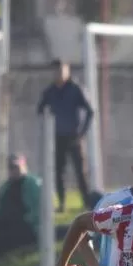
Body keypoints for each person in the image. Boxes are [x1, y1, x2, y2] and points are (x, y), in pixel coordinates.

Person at [37, 60, 94, 211]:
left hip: (74, 137)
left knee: (80, 172)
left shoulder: (75, 89)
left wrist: (82, 133)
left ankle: (87, 203)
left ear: (67, 71)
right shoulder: (50, 91)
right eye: (56, 71)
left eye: (61, 70)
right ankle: (62, 203)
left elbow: (90, 111)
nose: (59, 74)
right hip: (57, 137)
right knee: (58, 171)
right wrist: (48, 125)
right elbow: (40, 110)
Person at [0, 154, 42, 265]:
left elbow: (39, 211)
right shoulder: (6, 187)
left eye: (16, 167)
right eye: (11, 167)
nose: (14, 170)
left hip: (26, 228)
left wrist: (24, 220)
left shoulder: (33, 184)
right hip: (5, 226)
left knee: (2, 243)